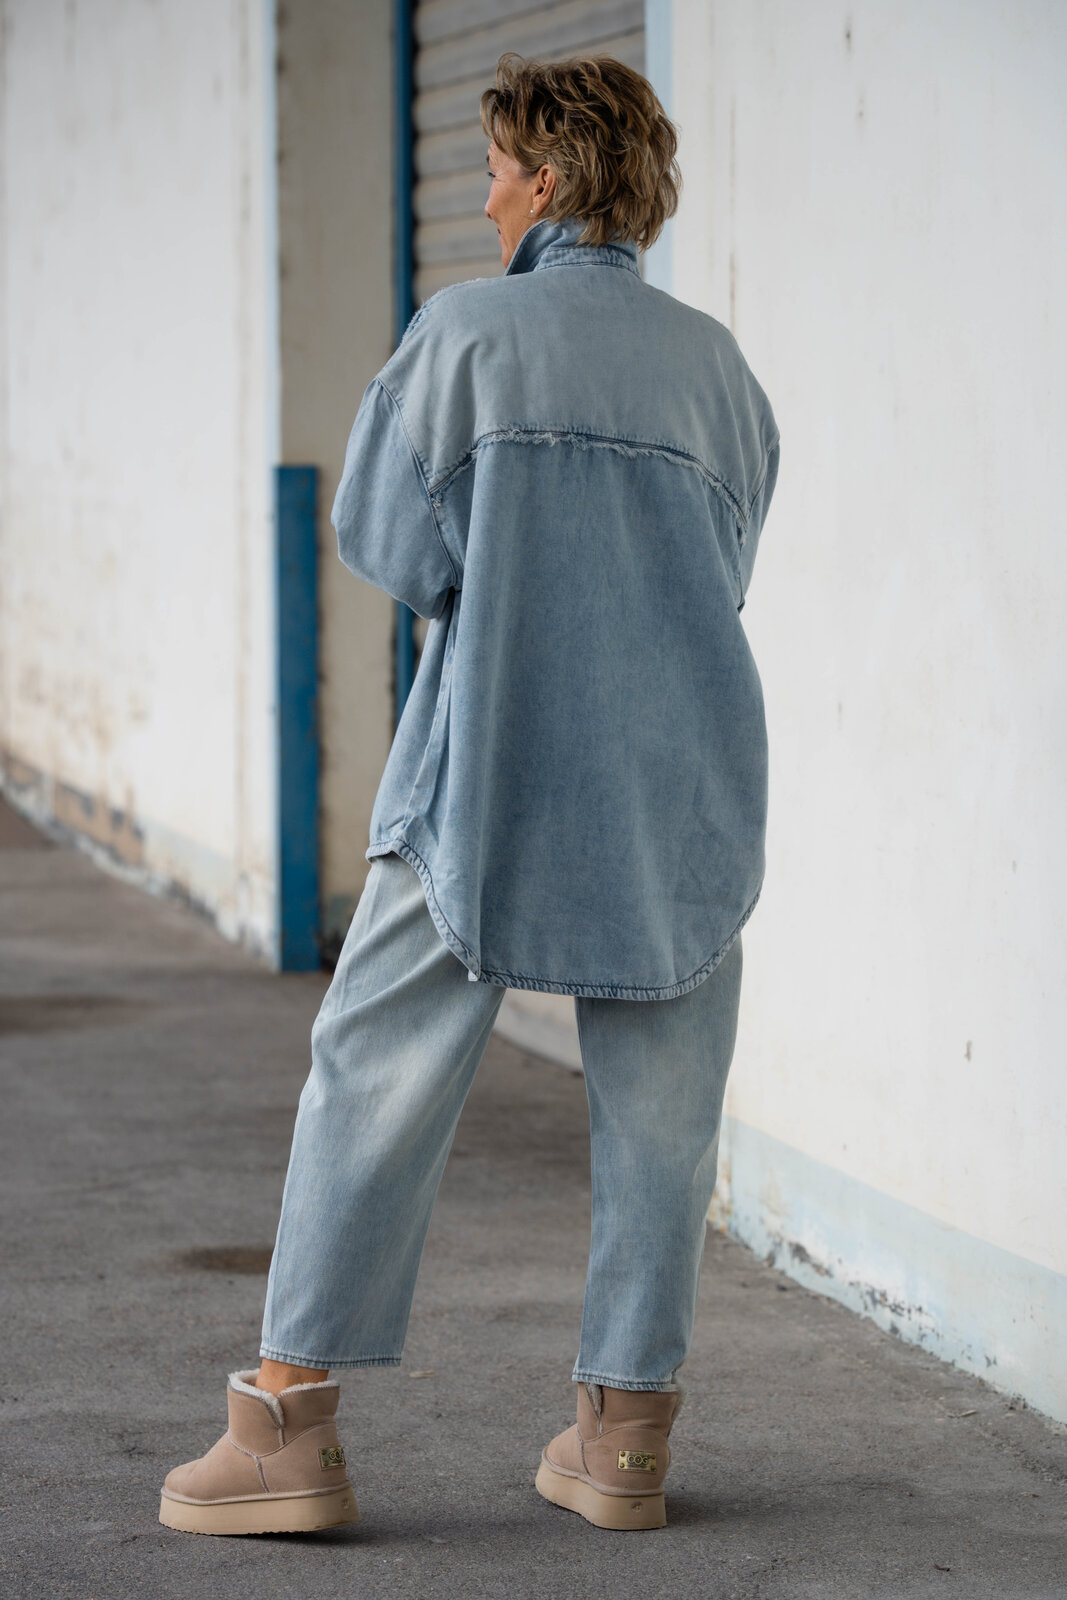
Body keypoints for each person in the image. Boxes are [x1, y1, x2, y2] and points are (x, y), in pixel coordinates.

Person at [159, 50, 779, 1537]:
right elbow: (726, 574)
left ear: (549, 179)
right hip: (682, 793)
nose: (487, 193)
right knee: (665, 1117)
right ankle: (624, 1445)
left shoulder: (464, 335)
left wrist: (508, 567)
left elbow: (389, 540)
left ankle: (288, 1432)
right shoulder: (721, 370)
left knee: (369, 1072)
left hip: (483, 770)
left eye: (499, 168)